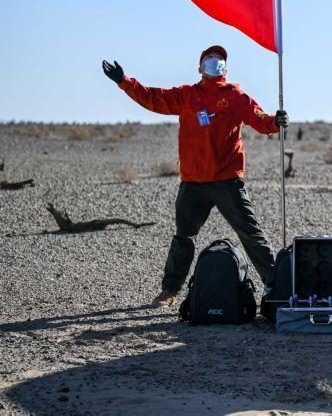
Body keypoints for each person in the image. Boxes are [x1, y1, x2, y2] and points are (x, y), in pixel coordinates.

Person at [101, 46, 288, 307]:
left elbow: (258, 118)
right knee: (184, 237)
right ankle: (169, 291)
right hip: (193, 182)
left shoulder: (235, 96)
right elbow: (153, 98)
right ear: (200, 68)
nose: (215, 62)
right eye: (209, 59)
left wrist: (274, 122)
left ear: (225, 67)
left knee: (250, 233)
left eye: (219, 59)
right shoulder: (187, 95)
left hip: (226, 180)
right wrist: (124, 81)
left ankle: (276, 285)